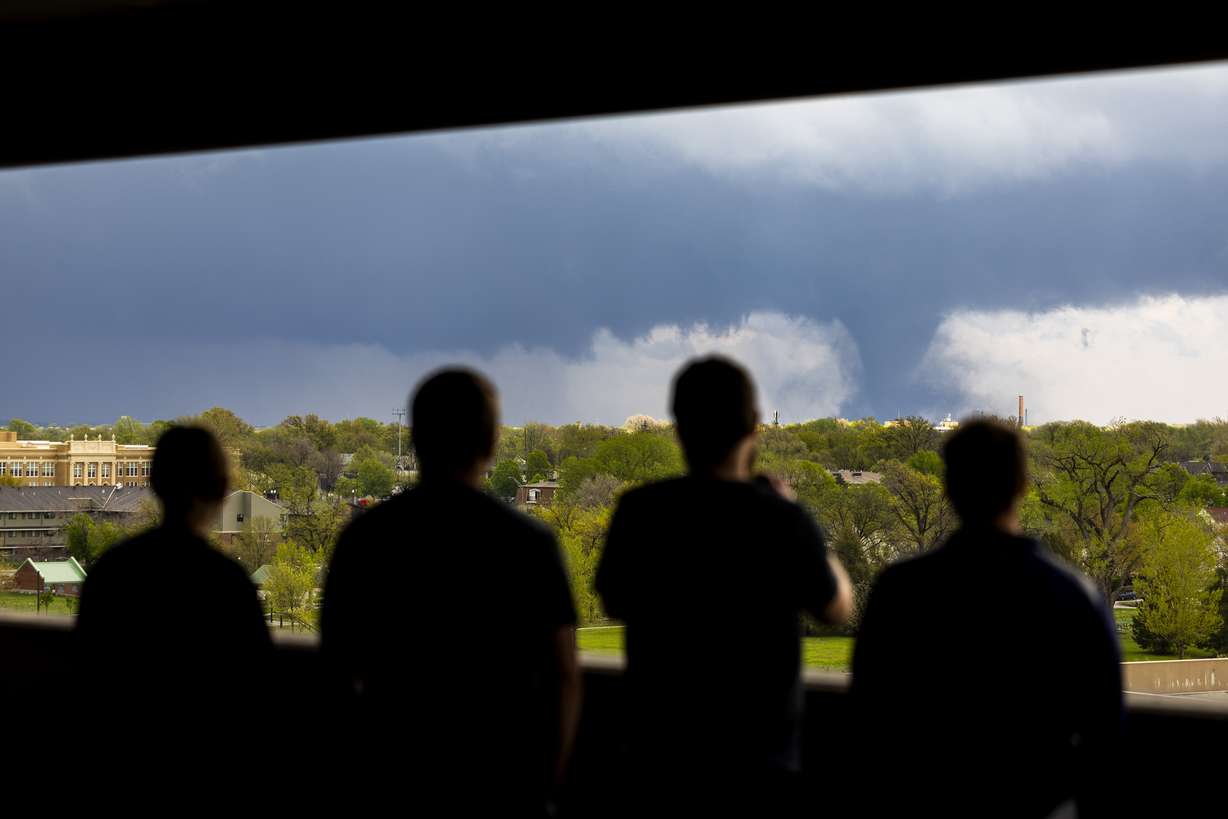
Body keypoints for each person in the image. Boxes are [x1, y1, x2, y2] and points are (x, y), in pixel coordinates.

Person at [594, 355, 853, 815]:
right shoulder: (781, 519)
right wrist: (807, 528)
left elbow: (614, 602)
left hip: (660, 763)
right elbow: (836, 609)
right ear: (754, 425)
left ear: (679, 426)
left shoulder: (640, 511)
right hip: (761, 767)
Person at [321, 368, 580, 817]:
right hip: (500, 784)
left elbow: (335, 670)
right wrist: (545, 786)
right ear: (490, 443)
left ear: (417, 440)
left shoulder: (365, 540)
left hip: (392, 782)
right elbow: (563, 676)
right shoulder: (529, 544)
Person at [850, 419, 1121, 818]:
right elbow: (1106, 736)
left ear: (948, 488)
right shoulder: (1072, 595)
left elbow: (867, 719)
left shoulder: (901, 591)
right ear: (1022, 485)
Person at [75, 425, 272, 793]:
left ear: (155, 483)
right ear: (220, 490)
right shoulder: (226, 583)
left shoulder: (111, 572)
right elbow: (257, 693)